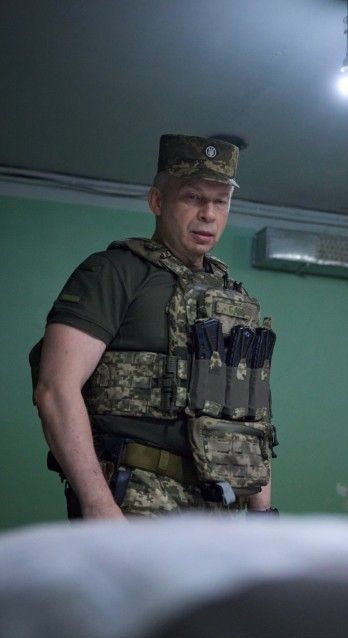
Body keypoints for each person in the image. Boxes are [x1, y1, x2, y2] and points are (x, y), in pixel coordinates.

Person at [33, 134, 277, 519]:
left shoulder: (234, 297)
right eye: (193, 197)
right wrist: (98, 505)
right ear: (157, 201)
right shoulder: (114, 273)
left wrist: (263, 514)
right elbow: (55, 390)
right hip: (136, 501)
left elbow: (249, 413)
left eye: (221, 201)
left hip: (221, 508)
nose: (208, 214)